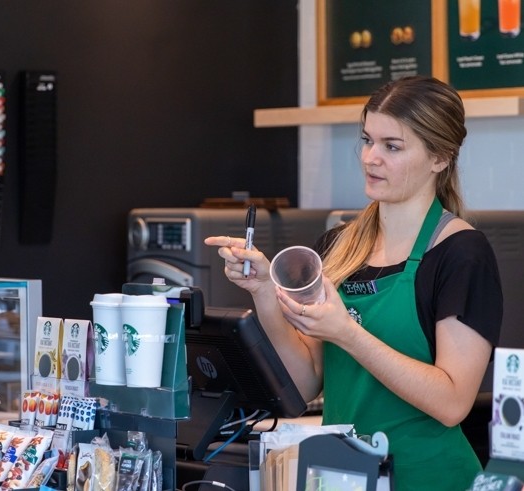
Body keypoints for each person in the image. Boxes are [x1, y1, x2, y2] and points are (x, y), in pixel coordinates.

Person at [206, 75, 502, 490]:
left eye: (392, 146)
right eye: (367, 140)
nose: (370, 157)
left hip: (428, 478)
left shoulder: (462, 254)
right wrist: (265, 292)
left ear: (440, 157)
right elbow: (306, 382)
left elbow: (452, 403)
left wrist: (348, 333)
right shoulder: (339, 246)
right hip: (340, 476)